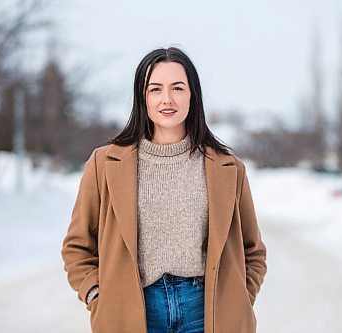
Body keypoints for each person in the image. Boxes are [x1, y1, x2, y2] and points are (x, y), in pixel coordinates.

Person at [61, 47, 267, 333]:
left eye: (178, 88)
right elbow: (77, 247)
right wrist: (98, 296)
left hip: (206, 313)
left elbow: (252, 251)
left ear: (192, 95)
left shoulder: (228, 168)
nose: (167, 99)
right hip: (132, 311)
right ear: (142, 97)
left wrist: (239, 299)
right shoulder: (105, 164)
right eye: (155, 89)